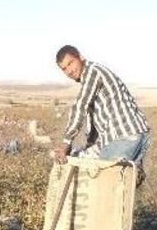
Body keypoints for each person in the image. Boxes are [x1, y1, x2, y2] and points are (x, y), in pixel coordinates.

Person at [53, 45, 151, 173]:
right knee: (120, 188)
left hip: (124, 136)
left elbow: (80, 107)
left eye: (70, 63)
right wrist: (88, 147)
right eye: (64, 69)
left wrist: (66, 143)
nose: (69, 71)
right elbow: (97, 122)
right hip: (136, 134)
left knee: (101, 182)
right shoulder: (94, 77)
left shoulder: (92, 72)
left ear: (80, 57)